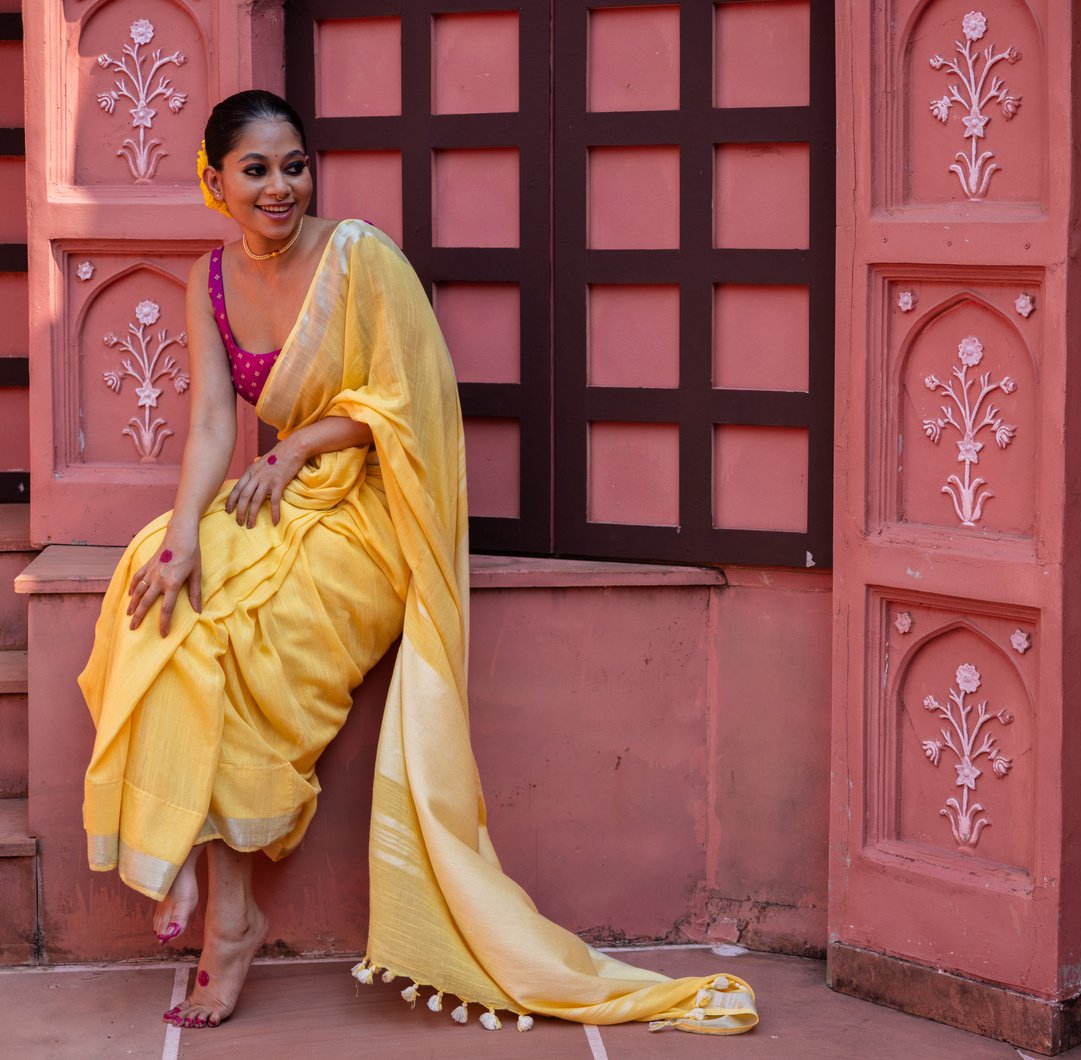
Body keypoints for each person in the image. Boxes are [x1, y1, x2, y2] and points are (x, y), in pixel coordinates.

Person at [78, 90, 756, 1035]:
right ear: (214, 181)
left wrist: (298, 445)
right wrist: (188, 522)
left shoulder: (360, 257)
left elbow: (411, 399)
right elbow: (209, 422)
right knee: (158, 584)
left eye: (295, 165)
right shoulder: (212, 279)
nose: (281, 187)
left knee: (240, 639)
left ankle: (221, 919)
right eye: (257, 170)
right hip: (278, 503)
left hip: (374, 515)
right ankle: (224, 906)